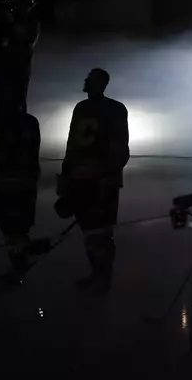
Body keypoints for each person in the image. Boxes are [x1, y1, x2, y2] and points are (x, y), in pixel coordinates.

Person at [56, 68, 129, 296]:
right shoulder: (89, 108)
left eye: (90, 80)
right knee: (92, 231)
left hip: (97, 181)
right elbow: (73, 145)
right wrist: (67, 175)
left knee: (99, 232)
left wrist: (106, 175)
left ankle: (102, 277)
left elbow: (118, 147)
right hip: (86, 179)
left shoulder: (100, 109)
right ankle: (98, 275)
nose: (86, 83)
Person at [0, 104, 41, 279]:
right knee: (14, 228)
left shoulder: (13, 124)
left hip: (11, 183)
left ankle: (21, 264)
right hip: (20, 182)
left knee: (12, 228)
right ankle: (21, 262)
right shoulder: (30, 122)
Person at [0, 0, 40, 111]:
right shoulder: (3, 21)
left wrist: (11, 22)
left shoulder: (32, 22)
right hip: (1, 68)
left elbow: (27, 38)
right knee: (0, 106)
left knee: (18, 105)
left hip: (19, 69)